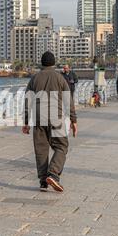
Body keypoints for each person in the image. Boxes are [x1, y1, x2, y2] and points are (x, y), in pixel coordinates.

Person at [23, 51, 78, 193]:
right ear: (53, 63)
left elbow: (27, 100)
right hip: (56, 117)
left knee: (41, 150)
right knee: (61, 146)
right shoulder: (60, 78)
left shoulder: (34, 79)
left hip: (39, 118)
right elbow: (68, 101)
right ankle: (53, 174)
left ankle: (43, 181)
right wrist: (73, 120)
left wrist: (26, 121)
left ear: (42, 63)